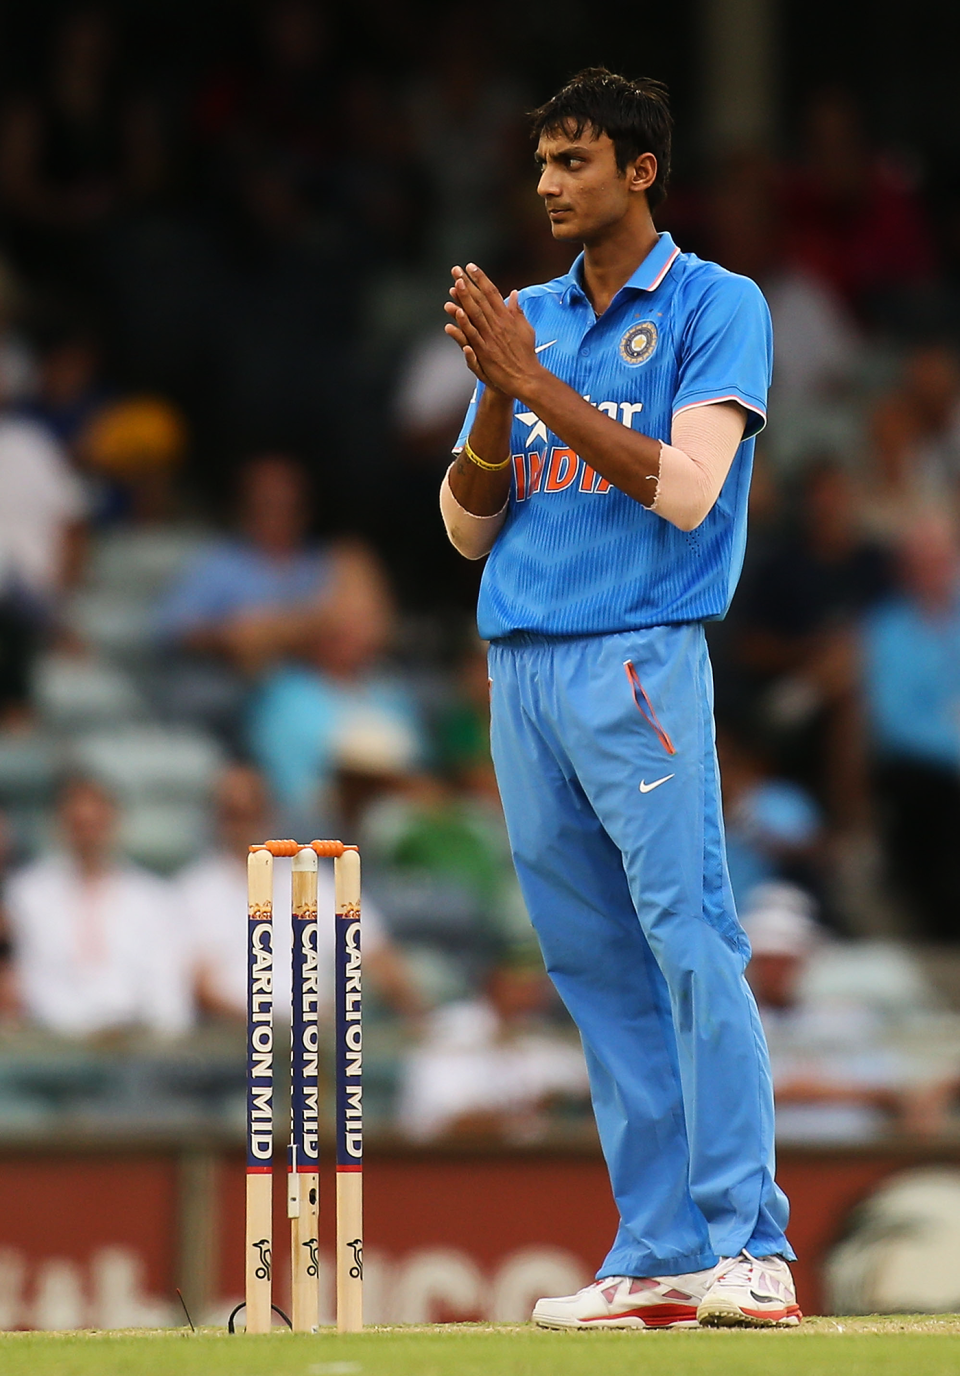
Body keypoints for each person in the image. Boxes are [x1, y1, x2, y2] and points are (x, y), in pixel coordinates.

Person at [439, 68, 799, 1329]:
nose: (547, 184)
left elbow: (690, 490)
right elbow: (466, 531)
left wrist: (531, 380)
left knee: (690, 938)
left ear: (641, 171)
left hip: (639, 654)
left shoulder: (719, 303)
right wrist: (496, 385)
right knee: (593, 966)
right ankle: (658, 1246)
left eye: (575, 161)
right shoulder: (525, 318)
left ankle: (752, 1241)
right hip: (522, 663)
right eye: (541, 162)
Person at [177, 763, 419, 1022]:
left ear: (270, 812)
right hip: (237, 1042)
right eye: (233, 813)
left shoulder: (316, 881)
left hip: (318, 1039)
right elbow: (200, 990)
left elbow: (378, 957)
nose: (244, 823)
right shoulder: (193, 893)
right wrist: (274, 1030)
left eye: (253, 810)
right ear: (216, 817)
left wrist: (418, 1019)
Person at [4, 775, 191, 1037]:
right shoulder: (26, 896)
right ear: (60, 825)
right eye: (79, 824)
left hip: (136, 1048)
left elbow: (167, 991)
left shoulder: (153, 899)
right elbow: (27, 981)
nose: (88, 835)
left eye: (96, 824)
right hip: (53, 1044)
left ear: (114, 822)